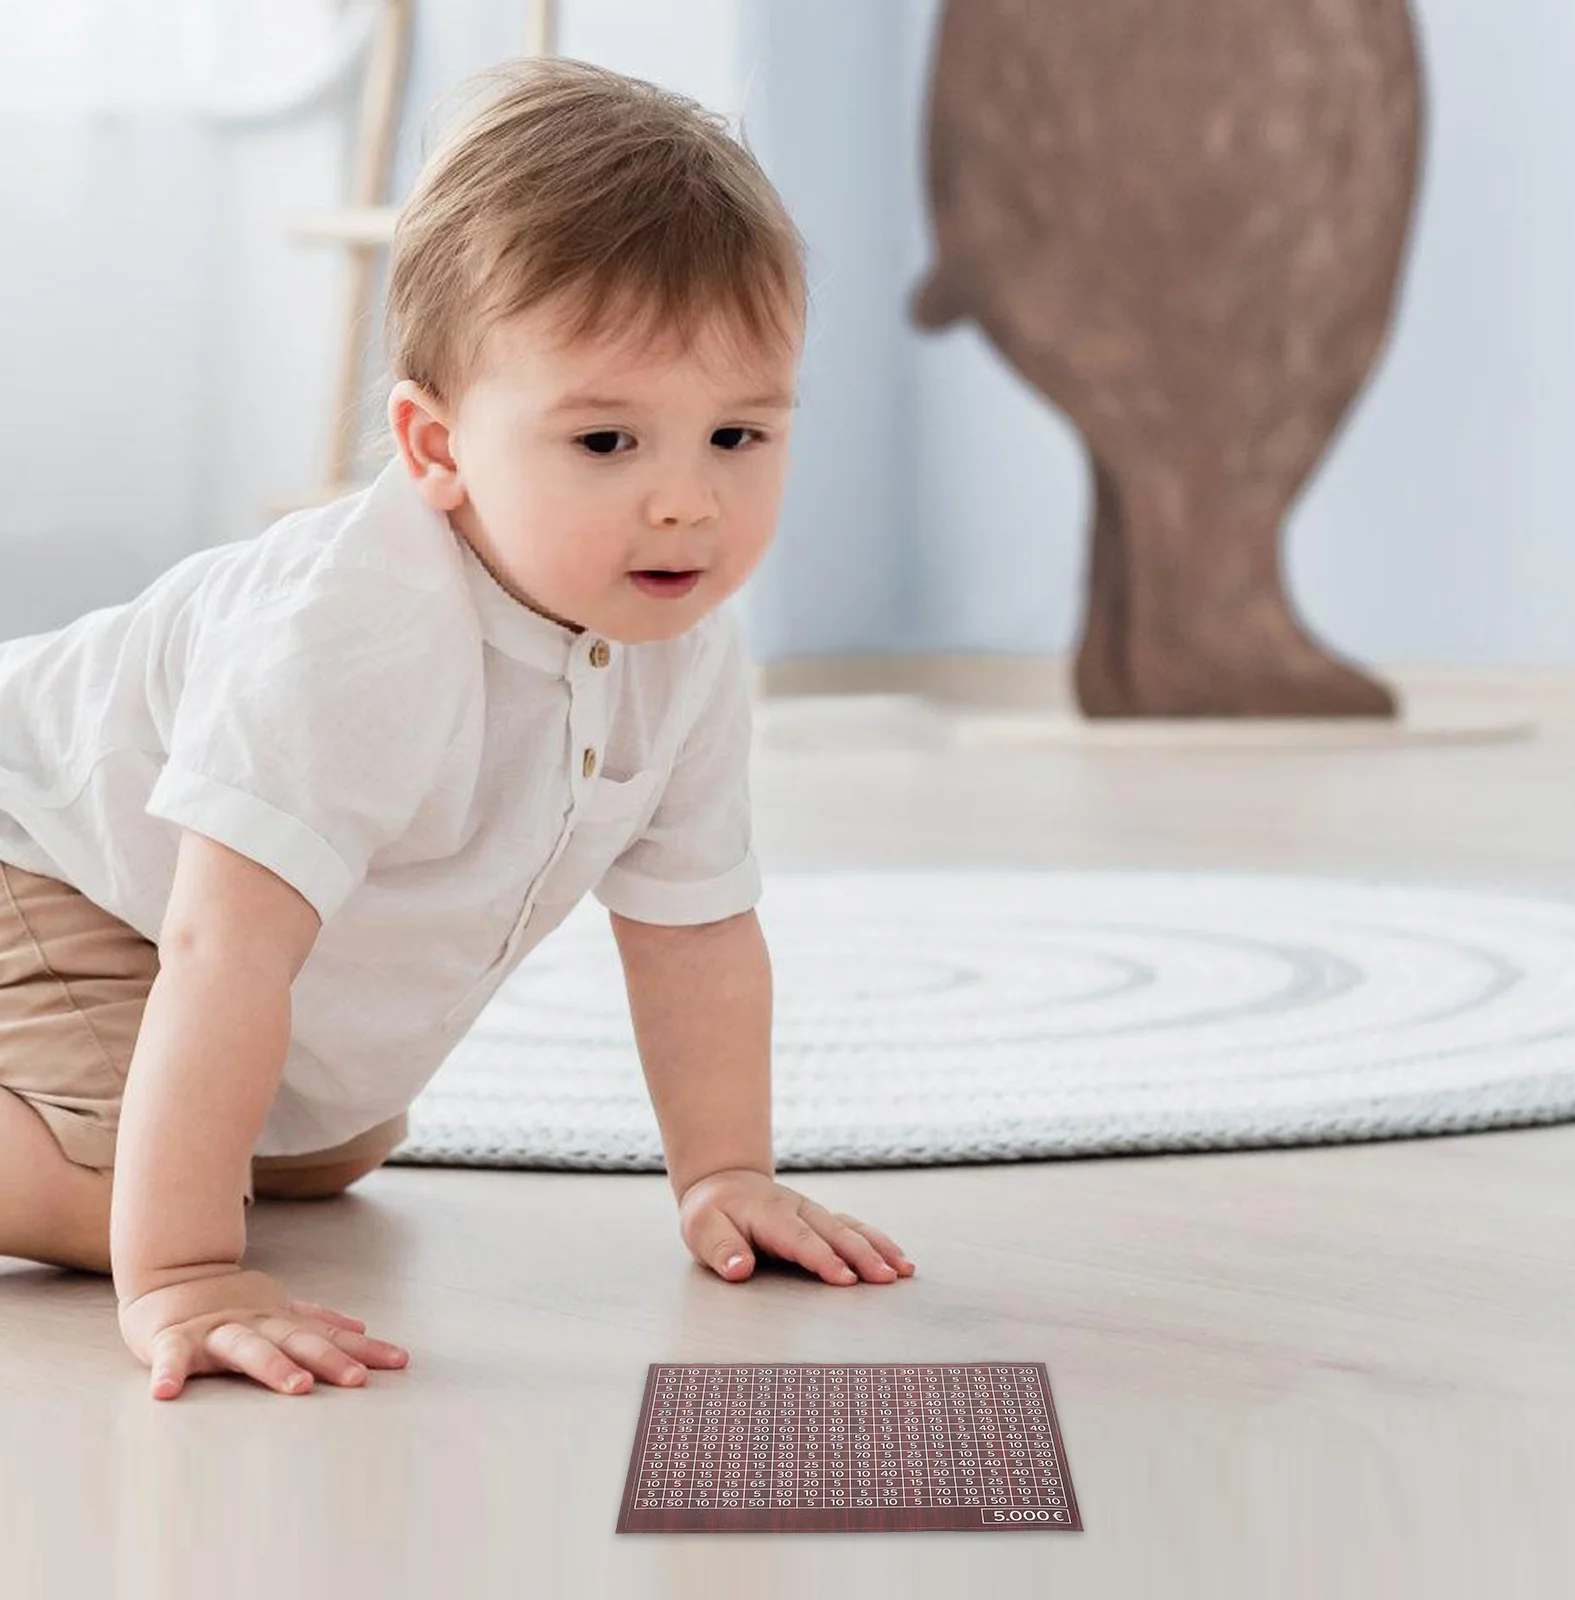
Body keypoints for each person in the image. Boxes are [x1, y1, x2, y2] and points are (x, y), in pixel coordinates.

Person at [0, 58, 914, 1402]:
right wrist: (188, 1273)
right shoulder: (354, 637)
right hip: (50, 864)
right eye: (607, 442)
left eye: (735, 434)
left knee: (332, 1142)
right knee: (132, 1190)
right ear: (435, 449)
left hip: (175, 923)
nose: (687, 503)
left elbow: (698, 933)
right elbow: (222, 942)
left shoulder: (681, 643)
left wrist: (726, 1172)